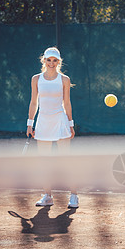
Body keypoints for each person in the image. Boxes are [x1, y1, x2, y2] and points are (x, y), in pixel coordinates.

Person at [26, 47, 78, 208]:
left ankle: (74, 196)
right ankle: (47, 196)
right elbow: (34, 102)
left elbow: (67, 103)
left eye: (55, 60)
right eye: (48, 60)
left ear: (58, 62)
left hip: (60, 121)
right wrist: (30, 123)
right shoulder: (36, 79)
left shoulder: (64, 80)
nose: (51, 63)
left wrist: (70, 124)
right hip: (42, 123)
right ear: (44, 61)